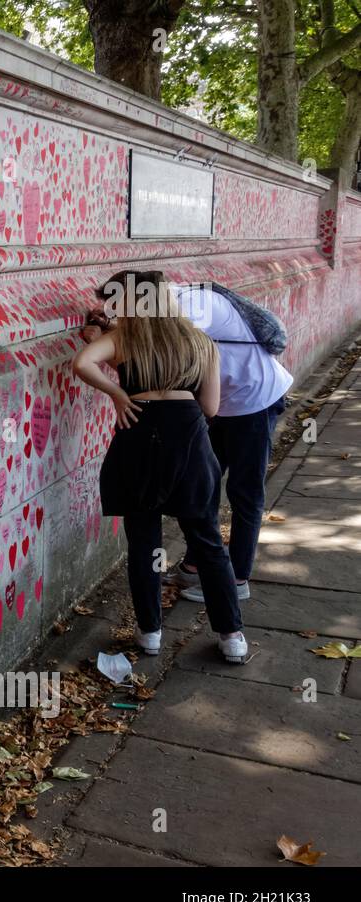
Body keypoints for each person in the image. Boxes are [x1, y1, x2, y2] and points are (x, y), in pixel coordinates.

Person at [73, 270, 248, 663]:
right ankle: (231, 635)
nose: (108, 308)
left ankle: (150, 632)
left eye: (113, 301)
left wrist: (118, 393)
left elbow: (82, 362)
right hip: (187, 433)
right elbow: (211, 408)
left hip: (138, 433)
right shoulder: (200, 341)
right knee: (207, 540)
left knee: (144, 541)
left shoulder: (123, 339)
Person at [167, 281, 293, 603]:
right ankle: (195, 565)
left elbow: (170, 342)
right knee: (202, 482)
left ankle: (236, 579)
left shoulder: (195, 302)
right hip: (224, 404)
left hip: (254, 400)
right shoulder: (172, 301)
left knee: (245, 492)